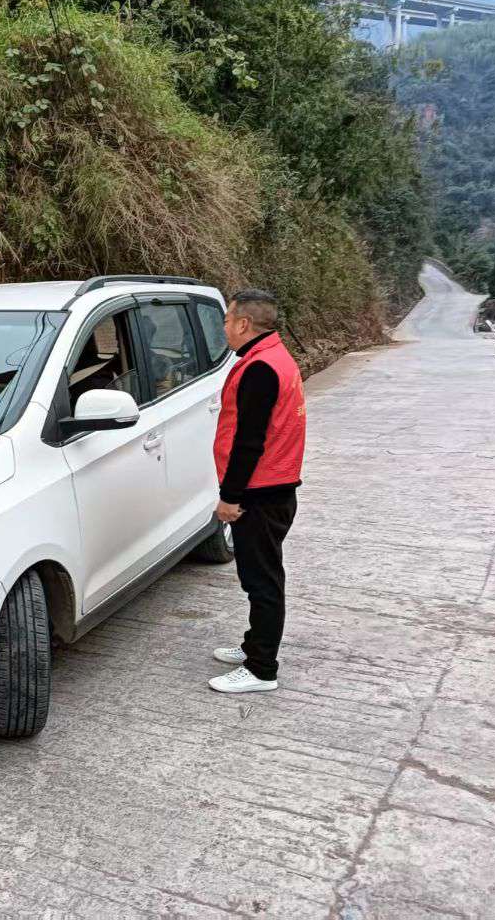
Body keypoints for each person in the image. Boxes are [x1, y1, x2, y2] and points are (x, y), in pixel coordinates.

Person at [209, 290, 305, 694]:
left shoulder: (260, 368)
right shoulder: (274, 357)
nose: (225, 328)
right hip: (275, 487)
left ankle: (262, 669)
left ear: (243, 323)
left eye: (227, 320)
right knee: (261, 577)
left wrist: (230, 497)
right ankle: (254, 646)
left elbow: (249, 442)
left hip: (261, 493)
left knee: (262, 582)